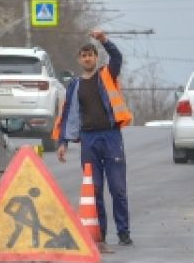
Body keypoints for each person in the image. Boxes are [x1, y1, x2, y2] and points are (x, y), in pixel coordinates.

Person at [53, 29, 134, 246]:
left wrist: (104, 40)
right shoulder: (75, 86)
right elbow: (67, 115)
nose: (88, 58)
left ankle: (124, 233)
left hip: (111, 137)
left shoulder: (107, 74)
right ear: (80, 60)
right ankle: (100, 233)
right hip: (89, 140)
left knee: (117, 188)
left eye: (91, 55)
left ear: (96, 58)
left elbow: (117, 58)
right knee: (94, 188)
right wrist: (63, 142)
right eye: (84, 55)